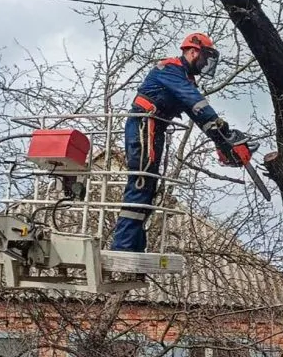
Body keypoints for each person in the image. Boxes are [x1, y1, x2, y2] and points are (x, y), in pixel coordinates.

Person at [110, 32, 258, 253]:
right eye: (205, 58)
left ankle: (134, 247)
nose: (206, 64)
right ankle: (123, 247)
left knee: (148, 188)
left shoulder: (185, 80)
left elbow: (197, 115)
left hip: (154, 129)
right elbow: (195, 101)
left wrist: (222, 139)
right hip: (143, 125)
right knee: (141, 183)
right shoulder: (170, 69)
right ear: (193, 51)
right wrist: (220, 125)